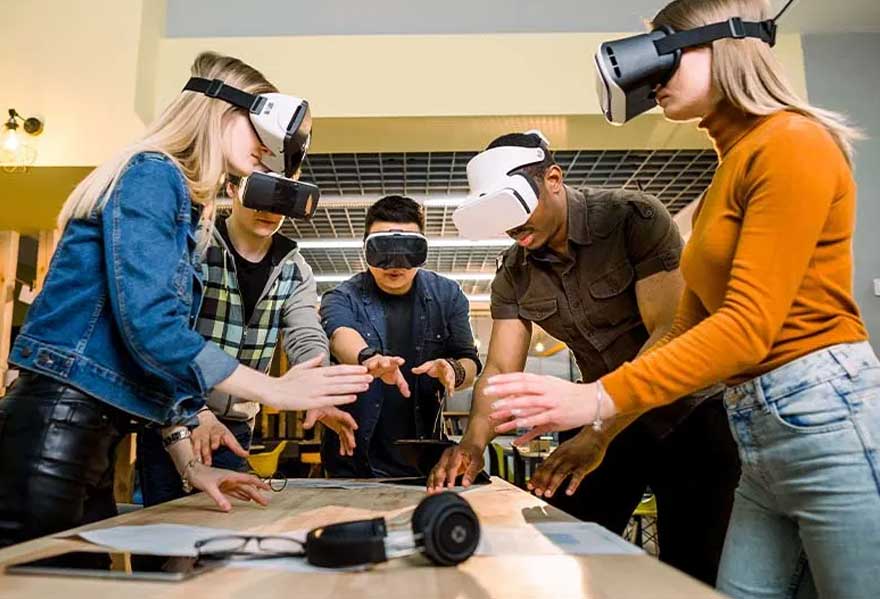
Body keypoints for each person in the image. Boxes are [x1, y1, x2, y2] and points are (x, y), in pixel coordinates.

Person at [485, 1, 879, 597]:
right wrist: (603, 424)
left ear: (727, 45)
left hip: (825, 414)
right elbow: (683, 328)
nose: (651, 76)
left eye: (667, 49)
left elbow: (747, 326)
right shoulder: (732, 166)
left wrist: (596, 398)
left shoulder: (793, 142)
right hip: (759, 426)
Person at [0, 52, 371, 548]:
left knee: (81, 578)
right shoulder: (154, 173)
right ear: (221, 111)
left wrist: (193, 466)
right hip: (57, 424)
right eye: (259, 133)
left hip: (89, 432)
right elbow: (154, 329)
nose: (267, 151)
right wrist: (274, 390)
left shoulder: (181, 196)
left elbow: (147, 356)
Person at [428, 131, 740, 584]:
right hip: (601, 416)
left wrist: (598, 428)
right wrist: (473, 443)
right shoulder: (513, 274)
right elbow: (498, 369)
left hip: (689, 414)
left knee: (692, 571)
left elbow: (670, 331)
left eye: (518, 207)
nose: (513, 228)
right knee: (569, 549)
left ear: (553, 178)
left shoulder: (631, 219)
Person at [137, 173, 359, 506]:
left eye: (281, 199)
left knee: (227, 532)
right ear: (231, 188)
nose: (269, 209)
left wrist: (317, 389)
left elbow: (306, 333)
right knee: (165, 530)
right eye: (260, 192)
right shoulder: (195, 245)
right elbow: (165, 335)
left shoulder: (295, 269)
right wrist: (194, 411)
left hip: (237, 428)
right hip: (174, 417)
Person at [320, 195, 482, 477]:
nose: (395, 262)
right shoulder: (341, 297)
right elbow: (340, 334)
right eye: (383, 248)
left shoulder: (448, 296)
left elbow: (469, 363)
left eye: (407, 248)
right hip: (353, 460)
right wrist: (368, 358)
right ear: (365, 249)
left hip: (425, 461)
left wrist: (453, 370)